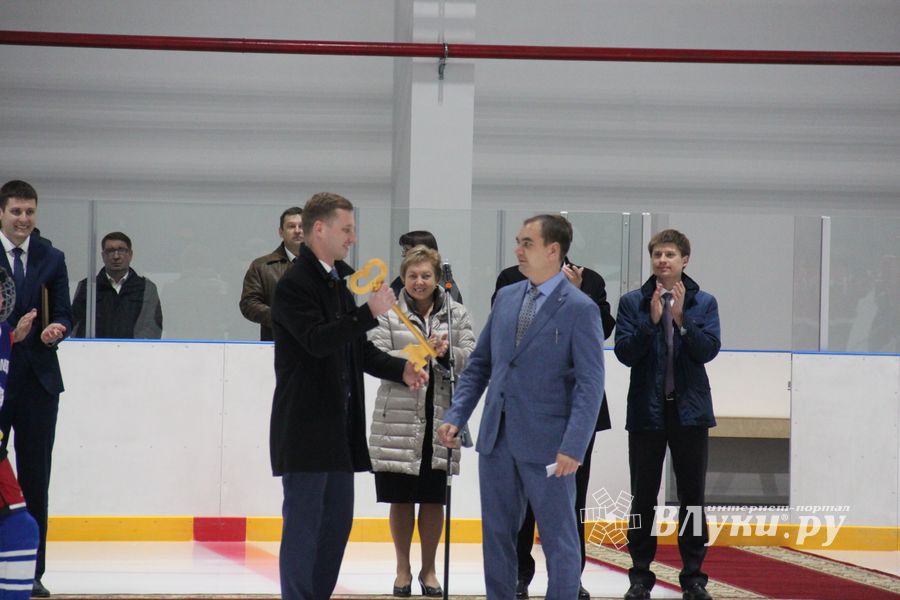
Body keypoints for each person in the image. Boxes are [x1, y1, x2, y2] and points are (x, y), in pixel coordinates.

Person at [438, 214, 605, 600]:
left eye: (527, 243)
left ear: (553, 250)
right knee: (497, 536)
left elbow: (590, 384)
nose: (518, 250)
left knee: (559, 538)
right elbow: (481, 363)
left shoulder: (580, 308)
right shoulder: (509, 296)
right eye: (518, 241)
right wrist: (456, 414)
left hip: (550, 444)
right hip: (497, 440)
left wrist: (574, 445)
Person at [270, 192, 428, 600]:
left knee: (336, 527)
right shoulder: (294, 284)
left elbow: (354, 348)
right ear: (318, 229)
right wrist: (366, 313)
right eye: (347, 229)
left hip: (339, 431)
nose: (353, 238)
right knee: (305, 528)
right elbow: (317, 341)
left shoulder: (337, 279)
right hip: (305, 428)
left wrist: (401, 368)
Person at [494, 252, 616, 600]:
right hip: (522, 406)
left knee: (569, 498)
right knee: (522, 498)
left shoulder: (588, 279)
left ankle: (569, 578)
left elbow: (603, 330)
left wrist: (577, 296)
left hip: (575, 410)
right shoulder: (510, 280)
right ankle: (518, 574)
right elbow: (507, 332)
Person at [614, 229, 720, 600]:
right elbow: (624, 353)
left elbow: (708, 350)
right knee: (643, 498)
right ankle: (640, 576)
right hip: (647, 411)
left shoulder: (703, 302)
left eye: (670, 254)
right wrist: (651, 321)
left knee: (692, 498)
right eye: (658, 254)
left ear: (684, 260)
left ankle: (693, 577)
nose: (663, 260)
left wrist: (680, 320)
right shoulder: (633, 302)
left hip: (690, 412)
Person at [368, 245, 475, 597]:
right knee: (399, 498)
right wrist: (421, 351)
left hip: (441, 414)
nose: (419, 282)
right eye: (412, 275)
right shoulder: (387, 312)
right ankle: (403, 569)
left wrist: (448, 353)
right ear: (404, 277)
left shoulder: (456, 315)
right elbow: (378, 354)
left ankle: (429, 570)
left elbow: (473, 360)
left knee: (433, 499)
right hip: (398, 416)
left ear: (437, 278)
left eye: (426, 275)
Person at [0, 180, 73, 598]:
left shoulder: (52, 257)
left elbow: (64, 309)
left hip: (39, 384)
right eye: (16, 212)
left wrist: (57, 328)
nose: (24, 219)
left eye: (30, 212)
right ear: (2, 213)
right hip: (0, 379)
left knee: (35, 477)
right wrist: (11, 332)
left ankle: (31, 571)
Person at [0, 269, 40, 600]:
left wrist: (16, 336)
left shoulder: (3, 333)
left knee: (20, 528)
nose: (1, 299)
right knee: (20, 529)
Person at [72, 232, 163, 339]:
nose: (116, 256)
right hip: (96, 352)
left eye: (121, 250)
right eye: (110, 251)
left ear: (130, 254)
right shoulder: (88, 287)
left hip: (135, 353)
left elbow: (152, 327)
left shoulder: (146, 288)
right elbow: (76, 327)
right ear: (103, 256)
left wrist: (132, 349)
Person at [240, 207, 304, 341]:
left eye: (302, 226)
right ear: (281, 232)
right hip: (275, 346)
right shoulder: (261, 266)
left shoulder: (326, 265)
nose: (297, 231)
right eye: (291, 226)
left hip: (318, 349)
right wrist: (279, 317)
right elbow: (248, 303)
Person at [389, 231, 462, 303]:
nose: (403, 255)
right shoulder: (398, 283)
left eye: (426, 276)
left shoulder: (446, 285)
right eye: (413, 276)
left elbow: (453, 311)